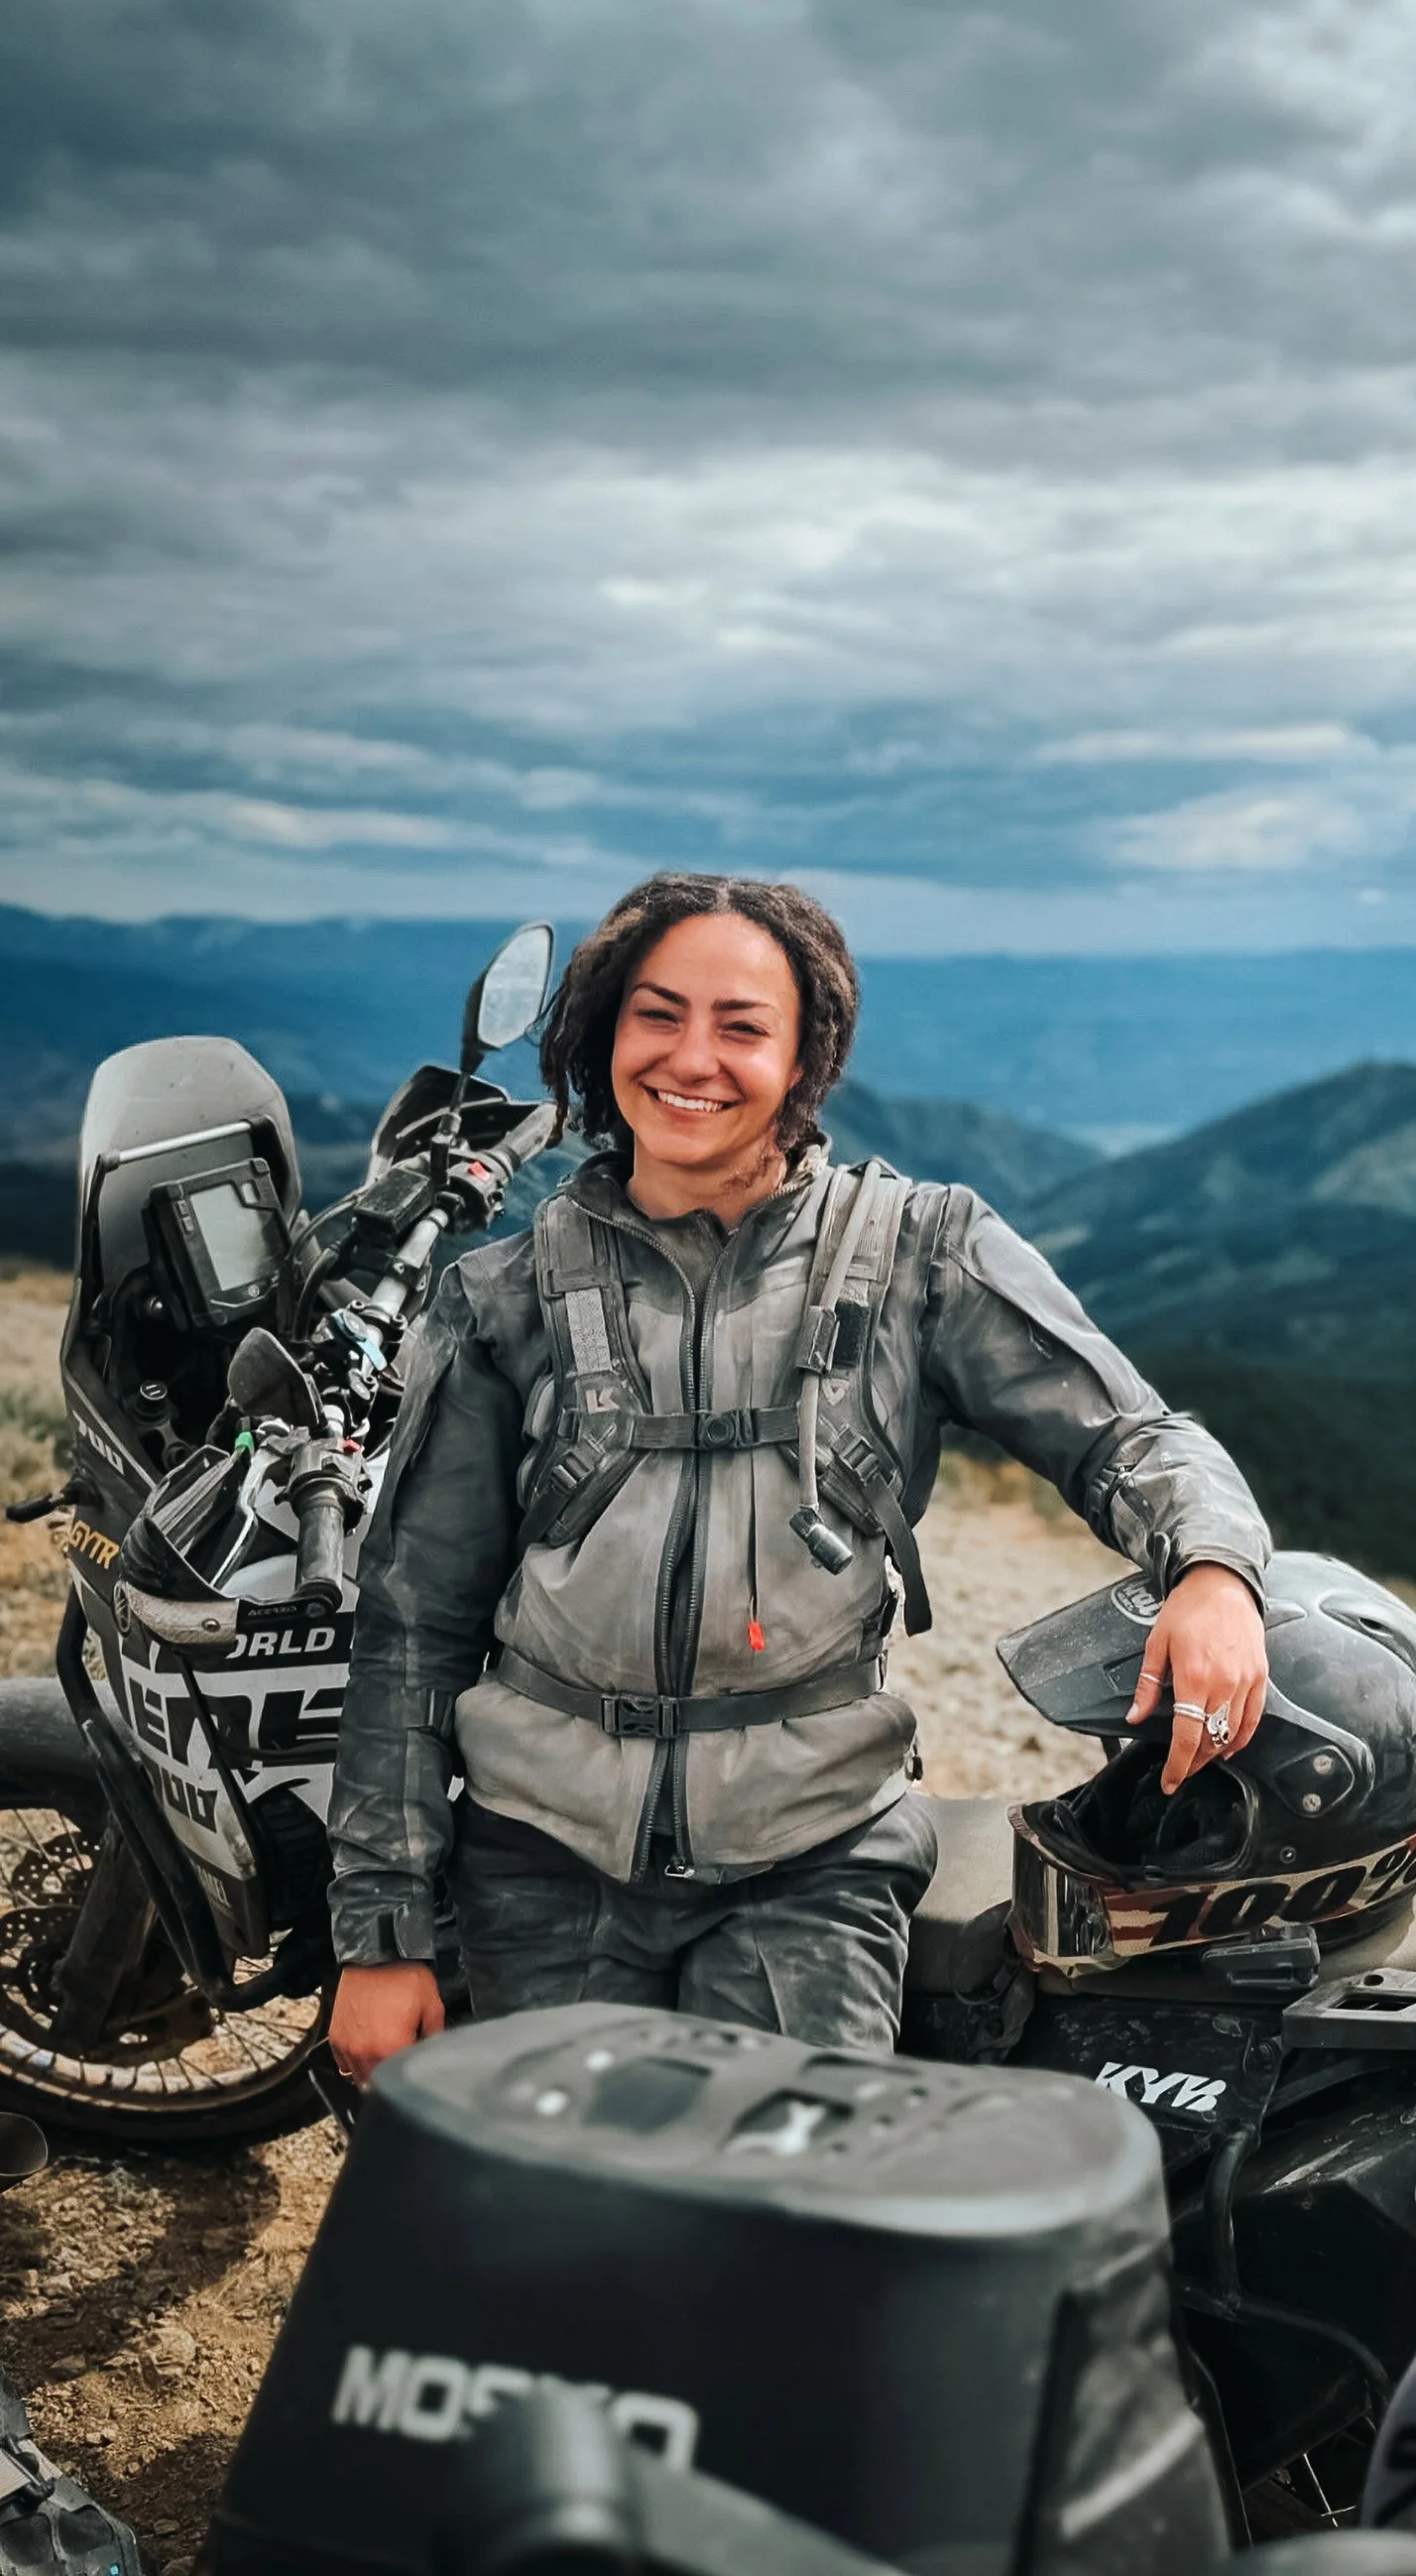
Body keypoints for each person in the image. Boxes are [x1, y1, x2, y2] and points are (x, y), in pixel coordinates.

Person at [325, 872, 1272, 2082]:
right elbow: (414, 1624)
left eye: (741, 1026)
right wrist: (385, 1931)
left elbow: (1132, 1436)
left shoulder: (920, 1255)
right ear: (603, 1032)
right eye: (656, 1014)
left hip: (809, 1861)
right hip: (538, 1862)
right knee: (563, 2247)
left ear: (806, 1056)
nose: (691, 1058)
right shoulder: (502, 1295)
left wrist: (1211, 1569)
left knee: (779, 2243)